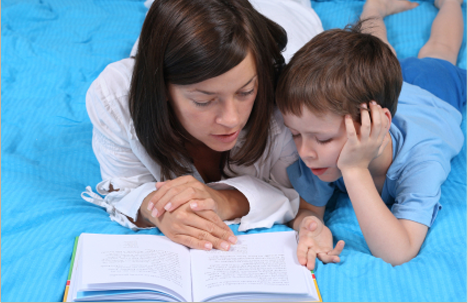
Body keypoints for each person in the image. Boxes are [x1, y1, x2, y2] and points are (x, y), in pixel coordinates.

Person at [81, 0, 323, 252]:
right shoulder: (115, 97)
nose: (231, 119)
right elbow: (123, 188)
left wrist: (224, 200)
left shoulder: (291, 103)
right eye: (204, 101)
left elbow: (297, 195)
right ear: (161, 88)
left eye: (245, 91)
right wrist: (157, 209)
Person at [276, 0, 466, 268]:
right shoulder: (318, 147)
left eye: (323, 139)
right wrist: (310, 225)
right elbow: (309, 209)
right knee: (377, 54)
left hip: (433, 94)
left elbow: (400, 251)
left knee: (440, 50)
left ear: (374, 123)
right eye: (295, 133)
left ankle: (450, 4)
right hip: (384, 95)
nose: (305, 152)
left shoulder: (423, 159)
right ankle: (373, 9)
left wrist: (354, 170)